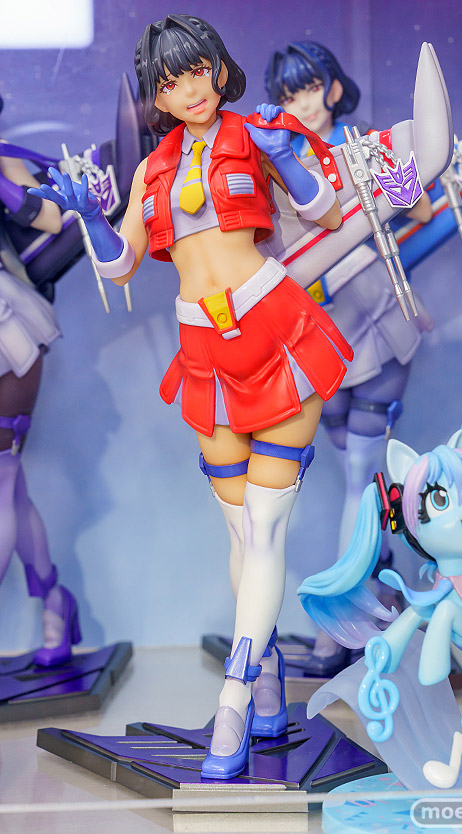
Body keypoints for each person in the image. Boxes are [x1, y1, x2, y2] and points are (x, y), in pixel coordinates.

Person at [31, 14, 352, 778]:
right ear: (159, 97)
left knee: (264, 533)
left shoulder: (259, 133)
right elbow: (120, 265)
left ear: (218, 68)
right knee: (240, 536)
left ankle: (236, 696)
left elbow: (328, 211)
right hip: (205, 352)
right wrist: (89, 219)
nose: (189, 88)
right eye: (171, 81)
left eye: (197, 69)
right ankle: (267, 677)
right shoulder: (153, 168)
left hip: (275, 331)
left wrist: (287, 157)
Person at [265, 41, 433, 674]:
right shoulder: (280, 162)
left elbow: (418, 206)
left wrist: (390, 175)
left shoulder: (361, 145)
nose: (302, 103)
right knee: (361, 482)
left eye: (309, 88)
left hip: (378, 320)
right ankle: (378, 599)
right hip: (319, 333)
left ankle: (340, 624)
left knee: (363, 478)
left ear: (333, 89)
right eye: (288, 95)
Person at [0, 94, 81, 666]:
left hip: (7, 331)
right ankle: (55, 598)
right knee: (12, 487)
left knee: (2, 481)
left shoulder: (4, 158)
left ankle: (55, 600)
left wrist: (5, 189)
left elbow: (53, 219)